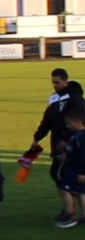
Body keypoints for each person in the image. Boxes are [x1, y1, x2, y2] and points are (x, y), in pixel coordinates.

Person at [28, 69, 85, 225]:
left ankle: (69, 211)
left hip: (71, 143)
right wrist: (37, 138)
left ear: (66, 81)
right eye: (53, 82)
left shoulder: (75, 98)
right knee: (61, 175)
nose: (55, 85)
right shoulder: (53, 98)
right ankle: (71, 209)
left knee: (62, 175)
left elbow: (78, 121)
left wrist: (66, 140)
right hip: (57, 143)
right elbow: (47, 121)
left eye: (57, 82)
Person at [60, 109, 85, 227]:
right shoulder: (76, 135)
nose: (67, 126)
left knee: (65, 189)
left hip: (75, 170)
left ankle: (69, 215)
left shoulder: (81, 137)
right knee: (81, 192)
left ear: (78, 122)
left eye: (69, 123)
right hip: (75, 168)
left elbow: (83, 155)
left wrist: (82, 173)